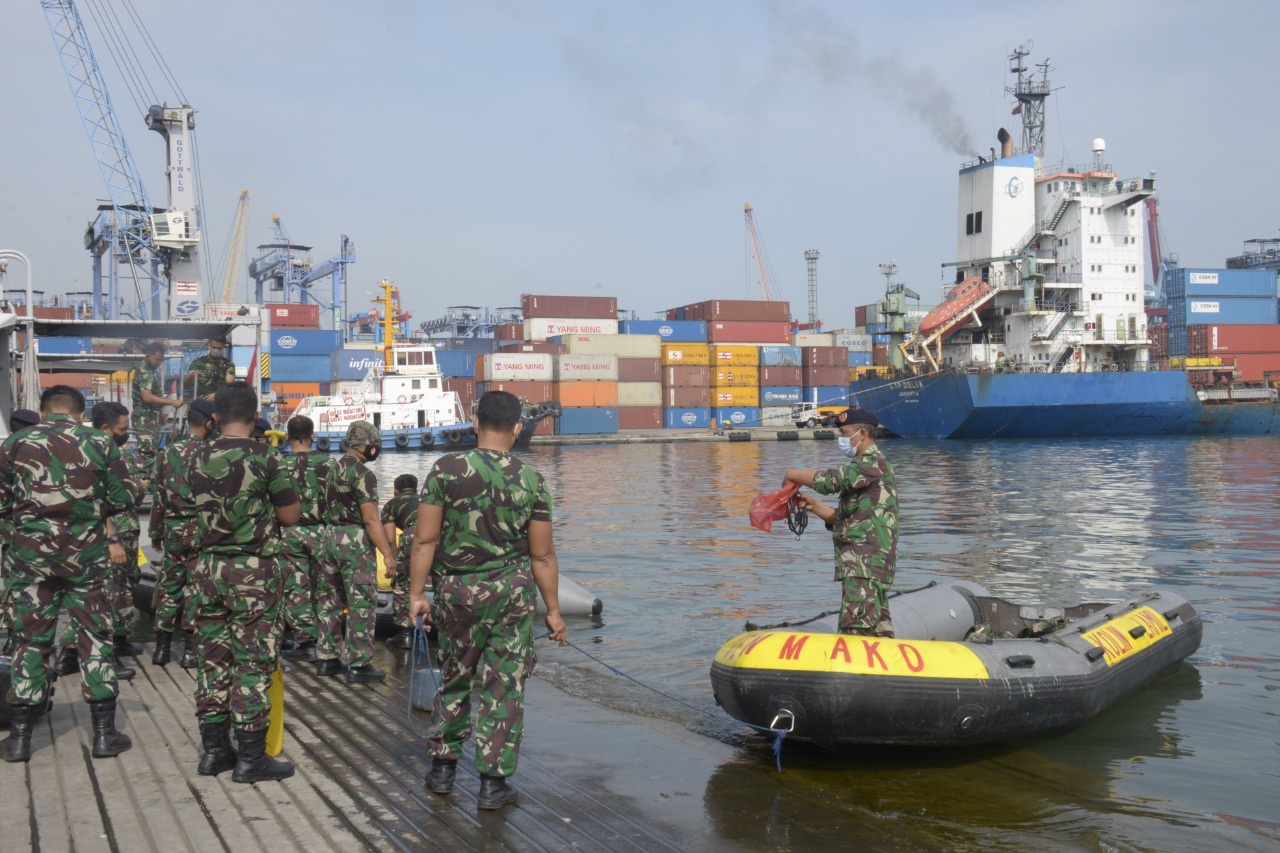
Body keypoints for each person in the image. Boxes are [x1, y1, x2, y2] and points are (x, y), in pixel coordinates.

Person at [409, 390, 567, 810]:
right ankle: (493, 785)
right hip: (511, 596)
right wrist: (553, 612)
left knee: (455, 675)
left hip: (456, 592)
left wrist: (416, 595)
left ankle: (442, 769)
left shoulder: (445, 469)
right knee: (504, 686)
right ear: (517, 428)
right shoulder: (532, 479)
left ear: (476, 423)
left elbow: (425, 539)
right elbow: (542, 554)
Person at [1, 385, 134, 763]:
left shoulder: (14, 444)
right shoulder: (100, 443)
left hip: (31, 560)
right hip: (86, 558)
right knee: (94, 635)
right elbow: (124, 498)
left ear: (43, 413)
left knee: (29, 640)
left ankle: (19, 740)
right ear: (79, 414)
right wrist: (89, 510)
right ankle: (105, 735)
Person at [187, 381, 300, 782]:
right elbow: (288, 517)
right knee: (252, 660)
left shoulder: (194, 457)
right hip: (254, 571)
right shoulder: (268, 458)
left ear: (215, 418)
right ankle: (252, 757)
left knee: (212, 658)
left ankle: (214, 752)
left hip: (208, 570)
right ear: (255, 418)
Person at [784, 406, 899, 638]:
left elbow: (832, 481)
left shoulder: (871, 463)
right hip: (866, 566)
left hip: (864, 566)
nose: (842, 439)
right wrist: (814, 506)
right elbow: (847, 521)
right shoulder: (867, 468)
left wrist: (792, 474)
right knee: (877, 634)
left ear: (862, 434)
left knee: (854, 633)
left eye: (845, 433)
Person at [314, 421, 397, 682]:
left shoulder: (330, 469)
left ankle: (327, 658)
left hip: (329, 536)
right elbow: (371, 520)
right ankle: (359, 664)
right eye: (375, 445)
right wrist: (387, 553)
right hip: (354, 539)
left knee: (329, 600)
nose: (377, 449)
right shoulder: (363, 474)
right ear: (365, 446)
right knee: (361, 601)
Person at [149, 398, 217, 667]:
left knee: (169, 586)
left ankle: (161, 649)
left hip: (174, 527)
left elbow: (159, 496)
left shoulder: (167, 452)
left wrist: (156, 531)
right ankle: (190, 650)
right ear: (209, 423)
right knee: (195, 587)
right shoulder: (211, 453)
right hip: (201, 528)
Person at [90, 401, 146, 675]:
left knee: (124, 587)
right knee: (107, 592)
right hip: (111, 529)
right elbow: (100, 499)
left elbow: (130, 491)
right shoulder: (93, 455)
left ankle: (119, 640)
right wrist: (111, 538)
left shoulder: (119, 453)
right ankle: (99, 654)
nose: (126, 433)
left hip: (127, 527)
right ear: (104, 428)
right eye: (122, 429)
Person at [279, 415, 334, 663]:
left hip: (289, 532)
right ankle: (327, 640)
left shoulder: (277, 464)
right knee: (325, 586)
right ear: (312, 436)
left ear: (288, 437)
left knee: (296, 587)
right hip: (322, 531)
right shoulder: (331, 463)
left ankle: (306, 640)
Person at [0, 409, 42, 652]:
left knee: (12, 584)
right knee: (29, 587)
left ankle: (12, 639)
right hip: (27, 533)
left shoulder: (6, 451)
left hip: (10, 532)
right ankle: (22, 639)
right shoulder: (27, 453)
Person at [131, 341, 183, 484]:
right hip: (145, 415)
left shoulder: (149, 370)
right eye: (156, 359)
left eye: (161, 360)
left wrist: (159, 412)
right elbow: (146, 396)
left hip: (150, 415)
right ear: (148, 355)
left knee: (150, 451)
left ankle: (143, 482)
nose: (159, 363)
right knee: (146, 453)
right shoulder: (145, 372)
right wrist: (171, 402)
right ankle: (141, 484)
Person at [380, 473, 419, 650]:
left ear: (396, 490)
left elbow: (390, 539)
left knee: (402, 584)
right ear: (416, 488)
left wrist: (394, 562)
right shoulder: (425, 500)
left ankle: (405, 634)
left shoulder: (391, 504)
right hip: (440, 536)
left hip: (413, 536)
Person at [185, 336, 236, 401]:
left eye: (219, 348)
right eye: (214, 347)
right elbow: (186, 386)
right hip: (200, 402)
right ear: (208, 345)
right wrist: (191, 376)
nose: (216, 350)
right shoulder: (197, 363)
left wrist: (217, 395)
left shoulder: (228, 364)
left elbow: (229, 385)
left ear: (223, 347)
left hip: (220, 403)